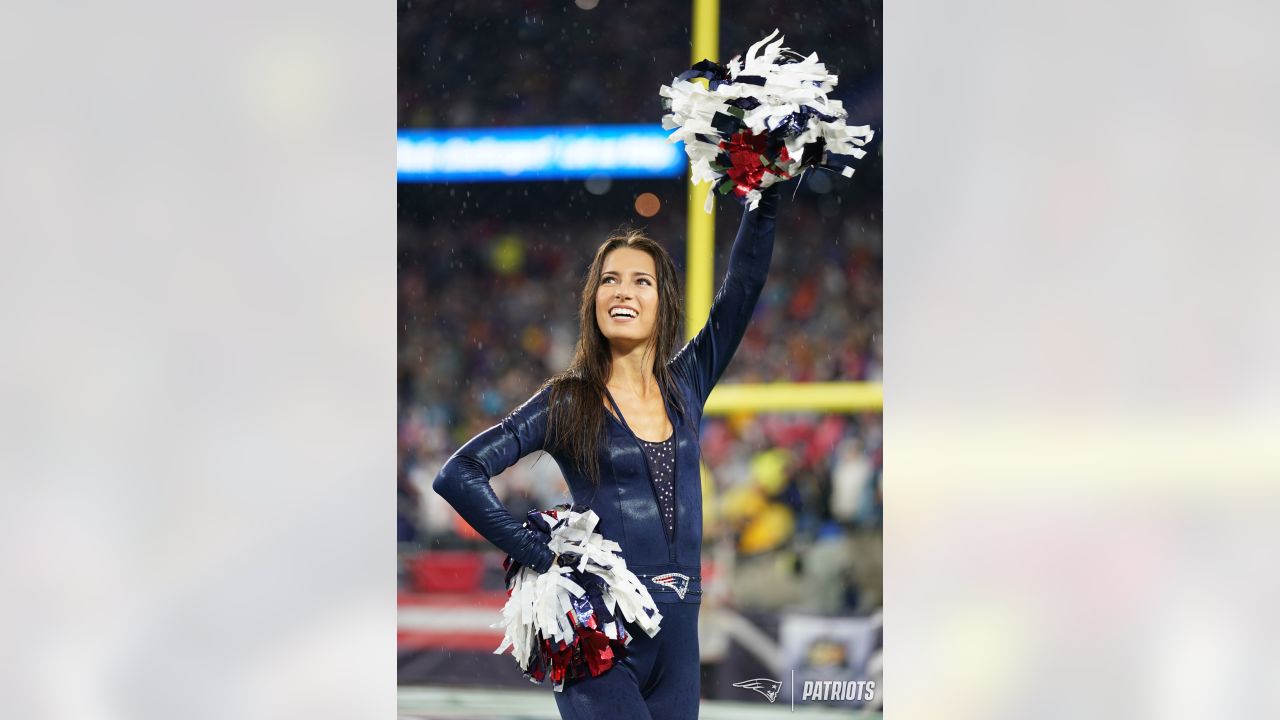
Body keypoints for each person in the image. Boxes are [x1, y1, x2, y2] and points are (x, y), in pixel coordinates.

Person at [433, 184, 779, 719]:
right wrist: (540, 555)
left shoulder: (686, 383)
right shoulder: (568, 399)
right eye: (609, 280)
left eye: (641, 281)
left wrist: (769, 187)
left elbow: (746, 283)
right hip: (601, 634)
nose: (623, 292)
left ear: (663, 301)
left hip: (680, 633)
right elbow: (460, 474)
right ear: (592, 299)